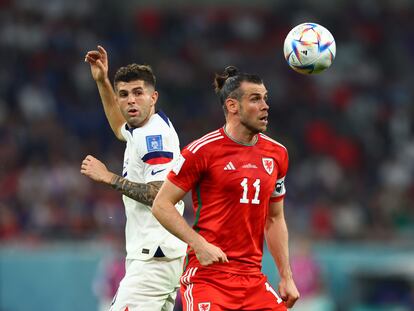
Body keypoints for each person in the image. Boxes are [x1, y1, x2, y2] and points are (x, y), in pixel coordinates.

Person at [152, 66, 300, 310]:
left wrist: (286, 277)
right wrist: (199, 245)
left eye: (265, 98)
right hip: (208, 278)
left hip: (252, 280)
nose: (265, 105)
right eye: (255, 99)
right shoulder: (201, 151)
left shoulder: (277, 154)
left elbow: (274, 219)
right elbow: (161, 204)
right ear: (233, 106)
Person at [81, 45, 187, 311]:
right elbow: (119, 128)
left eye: (138, 93)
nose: (130, 100)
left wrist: (109, 178)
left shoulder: (154, 137)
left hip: (154, 258)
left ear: (154, 97)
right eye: (124, 94)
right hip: (160, 254)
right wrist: (102, 81)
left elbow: (160, 194)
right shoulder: (140, 128)